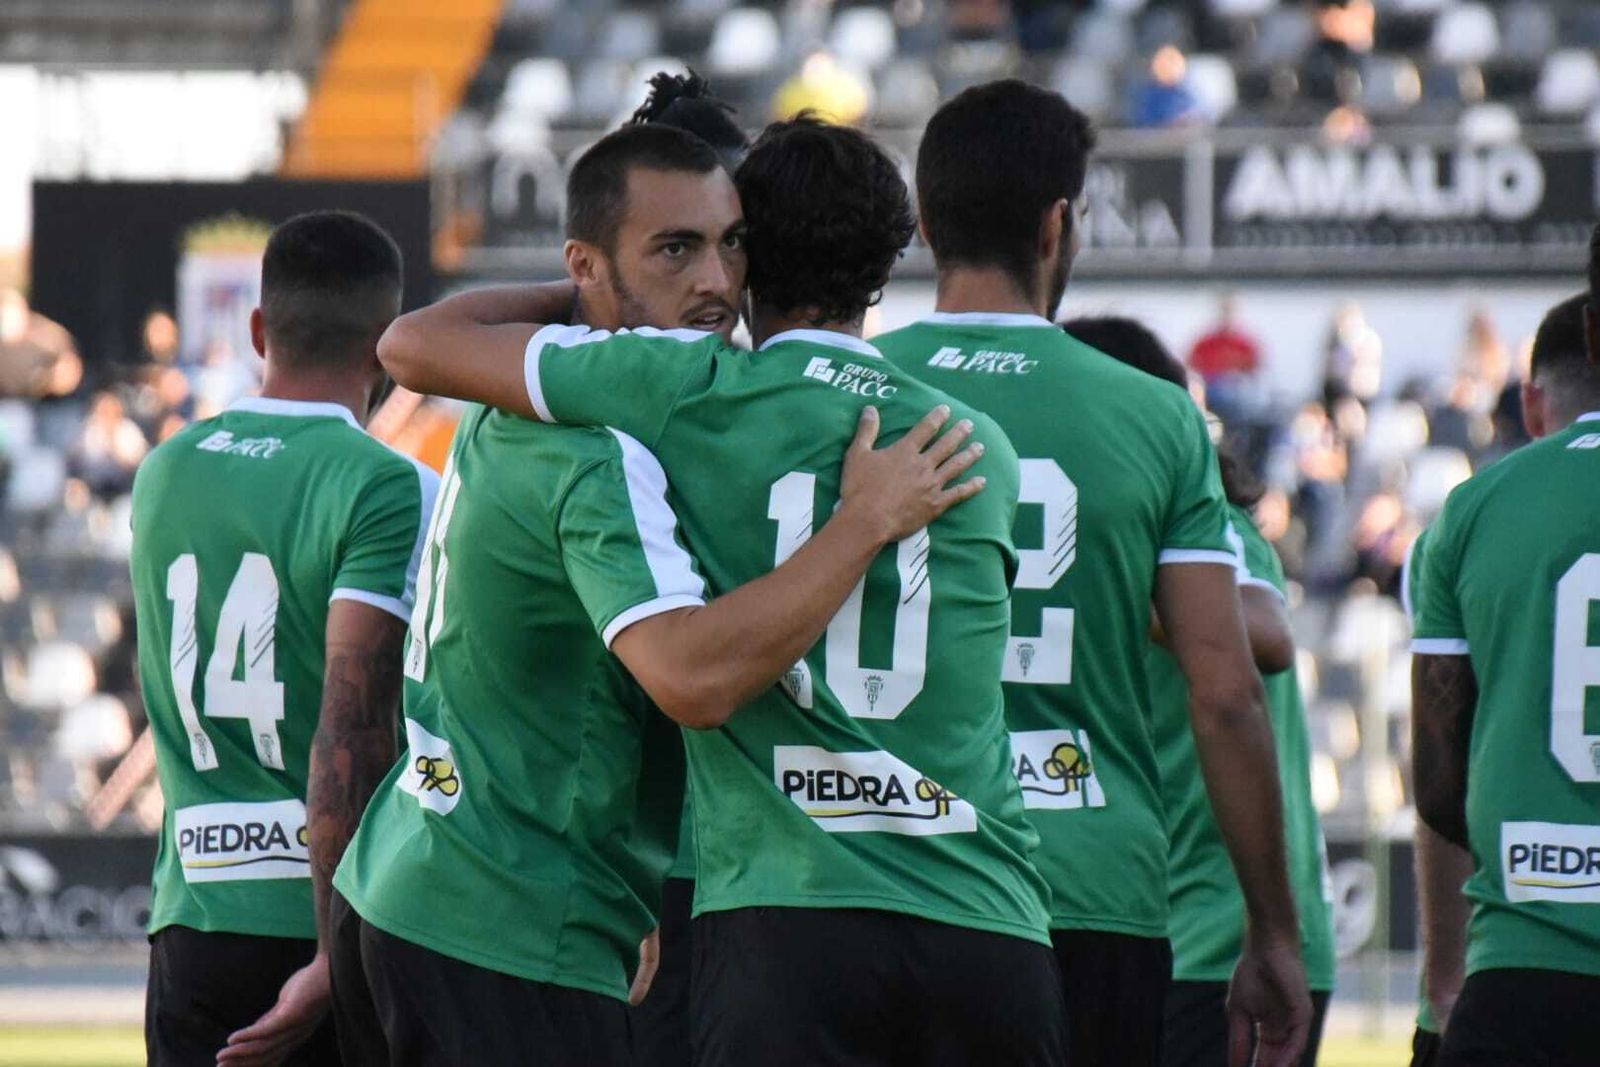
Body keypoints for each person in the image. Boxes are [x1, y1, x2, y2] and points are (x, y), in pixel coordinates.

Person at [379, 115, 1068, 1066]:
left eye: (726, 245)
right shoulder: (975, 439)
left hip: (784, 913)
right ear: (888, 257)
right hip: (985, 910)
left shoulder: (679, 389)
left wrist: (585, 289)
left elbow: (416, 347)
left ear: (753, 256)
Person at [870, 79, 1311, 1067]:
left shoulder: (849, 387)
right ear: (1058, 223)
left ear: (928, 223)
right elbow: (1228, 695)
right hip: (1087, 883)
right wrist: (1273, 929)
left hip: (873, 870)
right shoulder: (1154, 415)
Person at [130, 211, 439, 1067]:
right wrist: (337, 950)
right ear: (387, 347)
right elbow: (355, 723)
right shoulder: (391, 485)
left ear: (259, 329)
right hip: (331, 921)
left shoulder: (165, 469)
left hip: (193, 924)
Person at [1064, 317, 1337, 1067]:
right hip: (1175, 929)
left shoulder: (1204, 528)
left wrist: (1118, 583)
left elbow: (1268, 632)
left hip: (1225, 944)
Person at [1412, 292, 1600, 1067]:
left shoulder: (1472, 510)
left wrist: (1444, 977)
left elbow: (1436, 776)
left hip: (1522, 971)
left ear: (1532, 401)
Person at [624, 70, 751, 1067]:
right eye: (677, 245)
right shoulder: (570, 397)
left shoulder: (769, 382)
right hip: (671, 865)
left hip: (726, 862)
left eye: (732, 242)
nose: (712, 273)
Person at [1401, 525, 1474, 1067]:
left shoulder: (1468, 521)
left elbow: (1441, 769)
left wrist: (1445, 983)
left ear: (1535, 429)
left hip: (1516, 955)